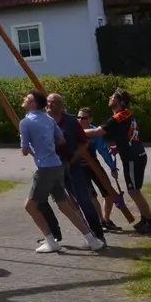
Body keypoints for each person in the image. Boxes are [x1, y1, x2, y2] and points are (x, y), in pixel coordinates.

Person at [18, 91, 96, 253]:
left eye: (28, 98)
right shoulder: (49, 119)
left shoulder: (25, 122)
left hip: (45, 168)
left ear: (33, 104)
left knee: (30, 206)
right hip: (57, 165)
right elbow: (61, 140)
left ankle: (50, 240)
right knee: (64, 204)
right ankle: (91, 239)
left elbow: (25, 150)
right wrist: (46, 143)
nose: (25, 99)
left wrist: (33, 145)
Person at [46, 93, 107, 251]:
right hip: (52, 168)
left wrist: (72, 160)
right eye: (48, 102)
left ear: (60, 104)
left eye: (54, 103)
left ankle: (97, 236)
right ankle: (52, 236)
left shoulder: (71, 121)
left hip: (72, 167)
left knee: (84, 200)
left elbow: (84, 143)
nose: (50, 105)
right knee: (48, 201)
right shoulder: (44, 121)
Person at [101, 88, 151, 233]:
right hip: (135, 155)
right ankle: (145, 219)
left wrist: (78, 131)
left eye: (113, 97)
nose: (110, 98)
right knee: (134, 190)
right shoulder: (126, 114)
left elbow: (98, 132)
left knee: (134, 191)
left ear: (120, 102)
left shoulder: (118, 117)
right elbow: (126, 136)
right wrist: (118, 147)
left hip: (133, 157)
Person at [78, 105, 135, 231]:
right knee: (92, 196)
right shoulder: (74, 131)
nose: (80, 120)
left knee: (108, 193)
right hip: (79, 168)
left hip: (94, 165)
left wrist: (113, 168)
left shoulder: (95, 132)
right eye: (78, 117)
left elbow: (103, 151)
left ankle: (106, 220)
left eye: (83, 118)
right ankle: (100, 221)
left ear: (90, 119)